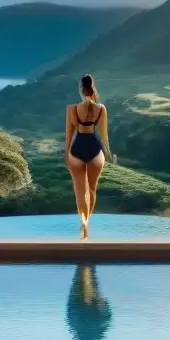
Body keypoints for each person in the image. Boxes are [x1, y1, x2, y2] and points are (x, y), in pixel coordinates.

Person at [65, 74, 114, 239]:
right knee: (92, 190)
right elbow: (104, 136)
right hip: (94, 149)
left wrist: (66, 155)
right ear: (93, 88)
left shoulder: (72, 109)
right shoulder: (101, 109)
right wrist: (108, 154)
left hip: (77, 149)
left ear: (81, 89)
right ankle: (86, 226)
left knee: (80, 192)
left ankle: (83, 222)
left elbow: (69, 136)